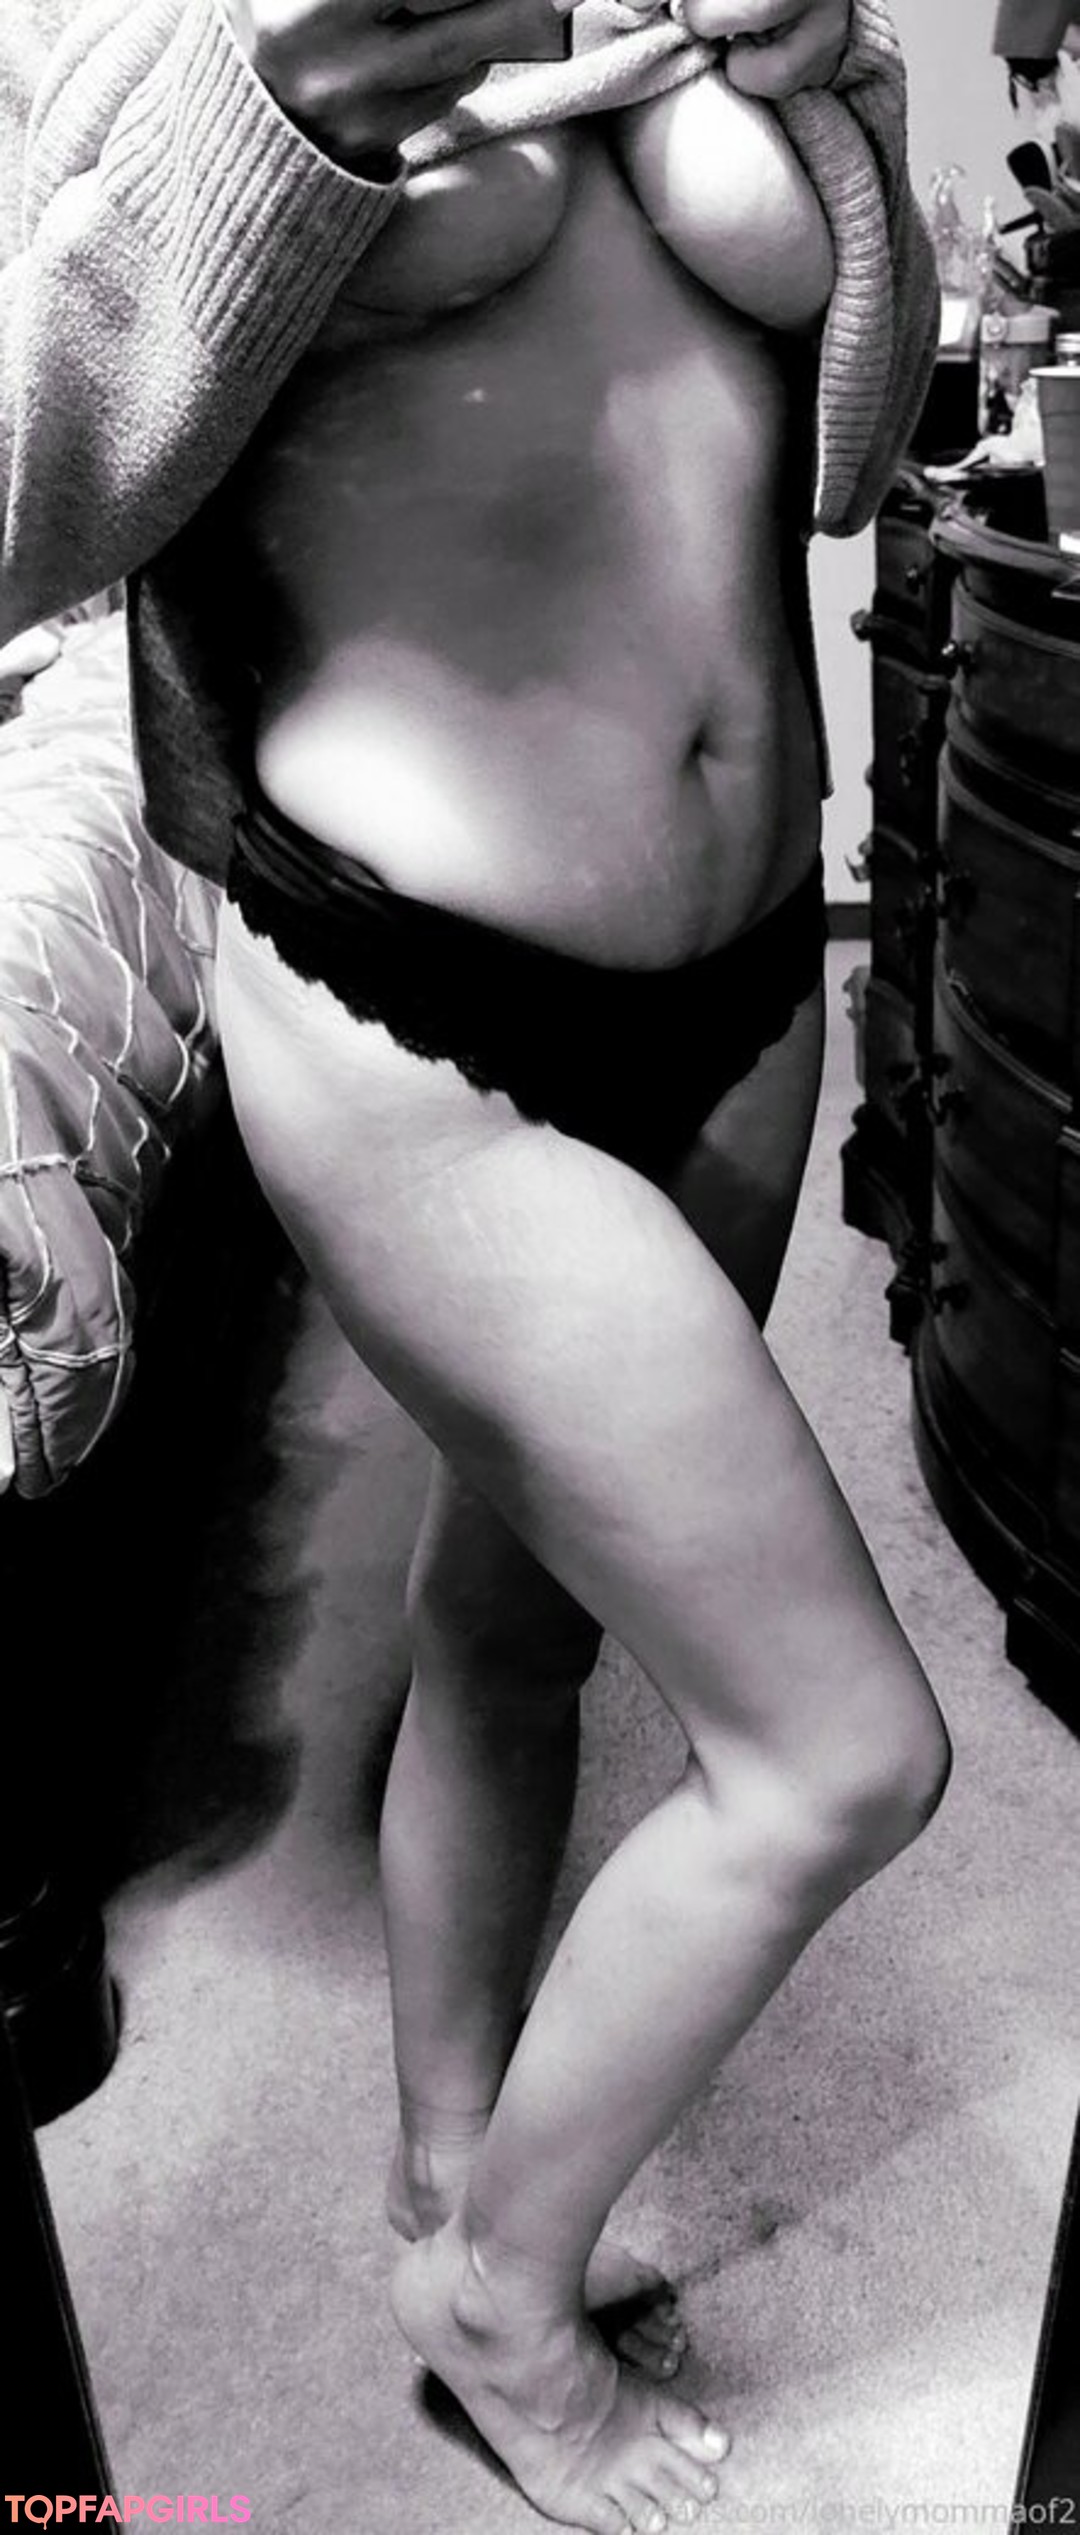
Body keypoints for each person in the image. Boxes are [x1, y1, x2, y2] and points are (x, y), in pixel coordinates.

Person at [5, 2, 949, 2528]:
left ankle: (451, 2158)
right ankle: (500, 2294)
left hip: (743, 970)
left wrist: (838, 84)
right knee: (843, 1747)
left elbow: (860, 445)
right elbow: (26, 508)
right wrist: (264, 128)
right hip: (413, 1008)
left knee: (517, 1625)